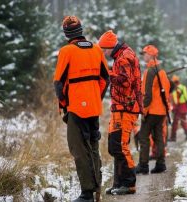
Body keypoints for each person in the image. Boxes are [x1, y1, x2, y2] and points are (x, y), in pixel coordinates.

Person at [53, 16, 109, 202]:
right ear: (81, 30)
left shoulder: (66, 51)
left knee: (79, 149)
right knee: (93, 146)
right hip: (94, 107)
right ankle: (97, 188)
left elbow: (58, 82)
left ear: (66, 33)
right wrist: (95, 98)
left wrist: (64, 105)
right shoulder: (97, 49)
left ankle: (87, 194)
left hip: (76, 108)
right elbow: (105, 79)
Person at [98, 30, 143, 195]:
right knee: (114, 146)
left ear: (110, 47)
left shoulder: (124, 57)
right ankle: (118, 183)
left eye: (104, 50)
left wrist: (107, 73)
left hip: (126, 108)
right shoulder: (122, 55)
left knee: (121, 146)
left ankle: (129, 184)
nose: (103, 53)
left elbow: (125, 81)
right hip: (120, 107)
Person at [136, 45, 170, 174]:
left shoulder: (150, 71)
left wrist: (143, 110)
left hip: (151, 111)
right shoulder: (161, 70)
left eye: (144, 54)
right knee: (159, 138)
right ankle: (161, 164)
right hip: (161, 111)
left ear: (150, 55)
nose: (143, 56)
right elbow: (167, 90)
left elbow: (147, 94)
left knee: (143, 137)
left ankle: (143, 166)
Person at [169, 75, 187, 141]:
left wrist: (174, 108)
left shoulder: (175, 89)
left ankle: (173, 137)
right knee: (183, 121)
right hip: (184, 107)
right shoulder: (183, 87)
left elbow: (176, 101)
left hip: (178, 108)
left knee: (175, 123)